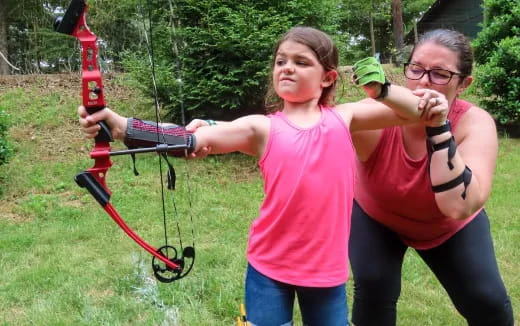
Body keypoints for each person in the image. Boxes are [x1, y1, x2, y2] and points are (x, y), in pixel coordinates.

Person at [78, 27, 447, 326]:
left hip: (327, 270)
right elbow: (195, 138)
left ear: (327, 78)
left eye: (301, 62)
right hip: (269, 266)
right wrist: (123, 125)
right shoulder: (260, 127)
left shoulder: (346, 117)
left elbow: (415, 112)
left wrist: (383, 89)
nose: (286, 67)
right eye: (280, 61)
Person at [347, 29, 515, 325]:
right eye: (416, 69)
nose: (423, 81)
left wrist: (439, 127)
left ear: (463, 83)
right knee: (374, 287)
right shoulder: (374, 114)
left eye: (440, 74)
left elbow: (459, 207)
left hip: (445, 225)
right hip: (376, 215)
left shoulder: (474, 124)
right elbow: (320, 126)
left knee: (487, 303)